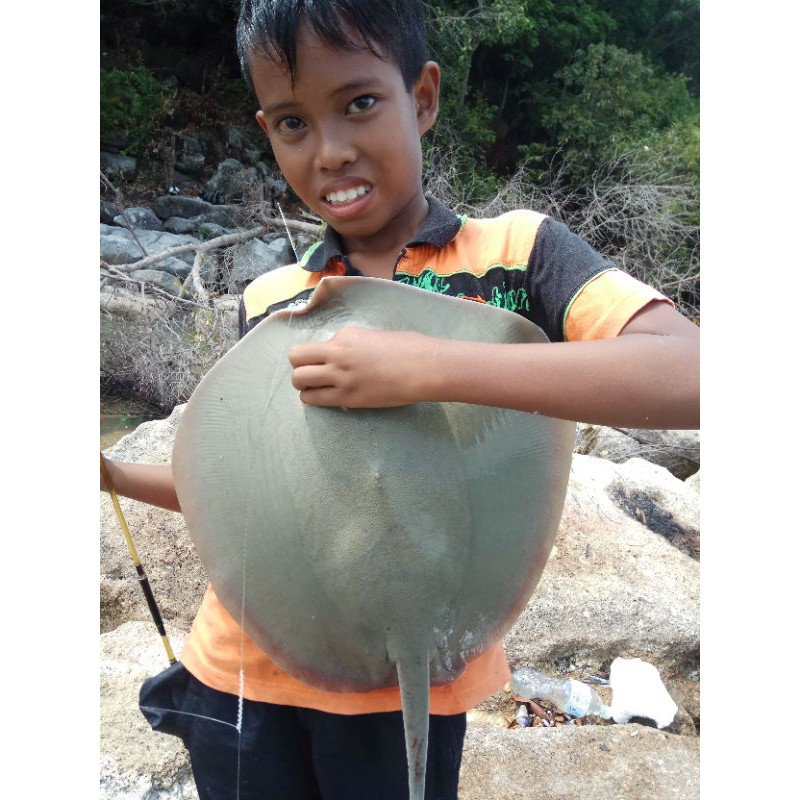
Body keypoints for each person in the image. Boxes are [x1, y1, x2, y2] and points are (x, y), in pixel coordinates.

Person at [100, 1, 700, 798]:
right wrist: (111, 475)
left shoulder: (517, 254)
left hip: (411, 673)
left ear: (421, 97)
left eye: (359, 103)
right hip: (240, 674)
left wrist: (428, 369)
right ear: (268, 132)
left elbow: (695, 373)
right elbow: (242, 492)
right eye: (293, 123)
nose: (331, 151)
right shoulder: (273, 299)